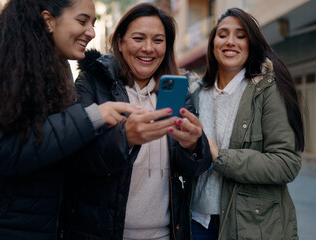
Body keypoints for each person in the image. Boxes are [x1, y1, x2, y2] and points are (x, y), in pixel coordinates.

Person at [0, 0, 138, 239]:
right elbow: (6, 150)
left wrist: (122, 136)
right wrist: (93, 116)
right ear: (48, 20)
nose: (91, 32)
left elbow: (53, 147)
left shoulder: (48, 65)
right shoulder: (5, 65)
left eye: (94, 23)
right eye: (82, 20)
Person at [61, 3, 212, 240]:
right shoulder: (92, 82)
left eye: (158, 40)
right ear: (120, 42)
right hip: (101, 232)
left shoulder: (176, 92)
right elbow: (77, 160)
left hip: (164, 234)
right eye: (138, 38)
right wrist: (125, 138)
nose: (148, 48)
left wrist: (193, 145)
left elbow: (192, 169)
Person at [187, 8, 305, 240]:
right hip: (196, 221)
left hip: (250, 223)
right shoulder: (195, 92)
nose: (230, 42)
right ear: (212, 44)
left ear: (251, 44)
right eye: (222, 34)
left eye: (241, 36)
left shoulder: (267, 90)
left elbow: (287, 163)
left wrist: (219, 156)